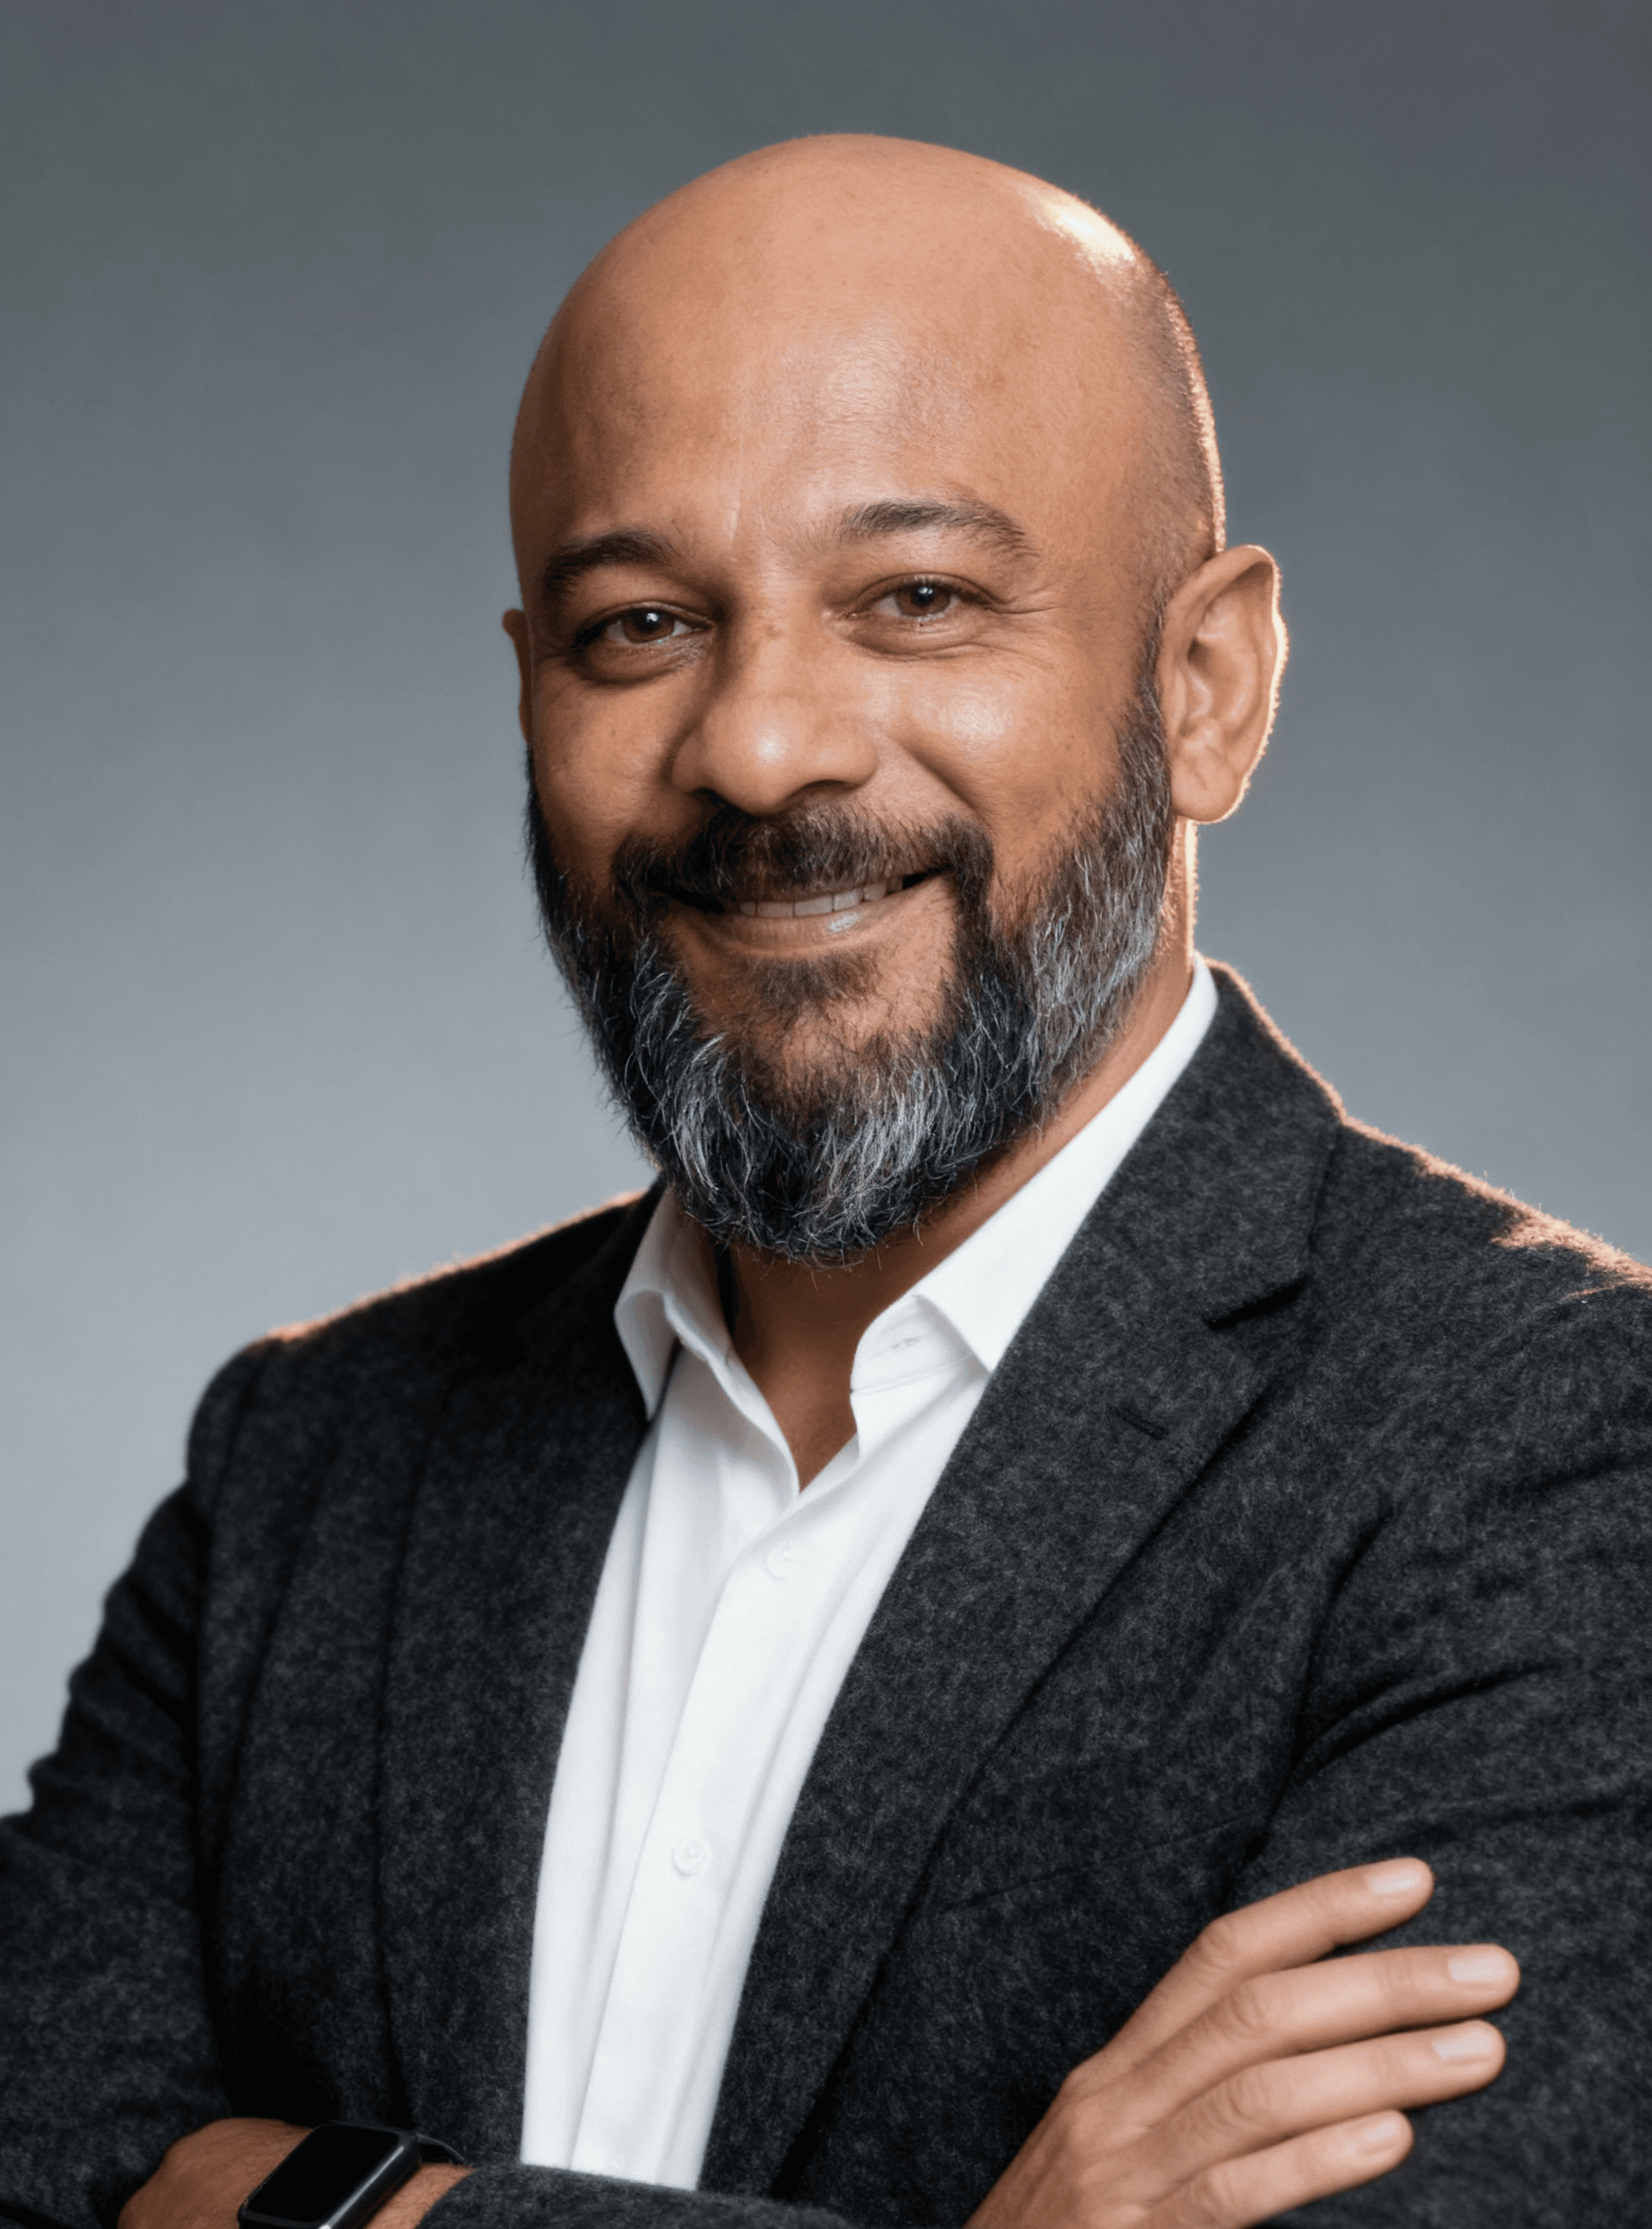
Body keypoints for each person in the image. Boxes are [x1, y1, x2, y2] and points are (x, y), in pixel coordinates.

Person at [1, 136, 1647, 2229]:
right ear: (528, 692)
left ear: (1206, 687)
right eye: (642, 624)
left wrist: (314, 2203)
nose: (761, 746)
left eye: (919, 599)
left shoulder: (1569, 1458)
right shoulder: (303, 1472)